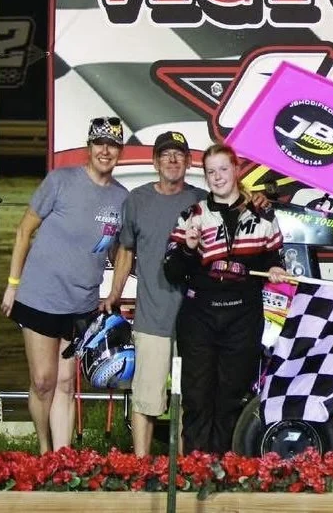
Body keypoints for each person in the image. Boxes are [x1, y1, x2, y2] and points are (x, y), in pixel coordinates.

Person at [1, 116, 129, 453]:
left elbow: (121, 252)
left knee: (63, 383)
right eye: (100, 143)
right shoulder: (60, 181)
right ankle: (44, 451)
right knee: (43, 381)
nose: (106, 150)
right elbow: (24, 231)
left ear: (120, 152)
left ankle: (62, 459)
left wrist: (113, 295)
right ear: (89, 147)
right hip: (40, 297)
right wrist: (13, 284)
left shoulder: (121, 198)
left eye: (113, 145)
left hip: (82, 306)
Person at [163, 143, 289, 454]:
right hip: (199, 317)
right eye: (210, 171)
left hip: (243, 318)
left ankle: (228, 470)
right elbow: (172, 273)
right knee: (197, 396)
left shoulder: (263, 216)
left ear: (236, 169)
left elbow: (275, 260)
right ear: (204, 177)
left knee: (232, 396)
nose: (217, 177)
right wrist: (190, 248)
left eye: (223, 169)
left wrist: (275, 269)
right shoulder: (192, 215)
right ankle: (196, 468)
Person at [101, 131, 206, 456]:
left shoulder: (205, 200)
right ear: (155, 161)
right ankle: (139, 467)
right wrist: (114, 294)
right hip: (152, 317)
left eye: (179, 155)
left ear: (189, 162)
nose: (172, 160)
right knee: (146, 397)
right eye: (166, 155)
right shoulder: (137, 200)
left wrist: (256, 198)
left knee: (192, 400)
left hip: (196, 320)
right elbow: (125, 252)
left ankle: (186, 468)